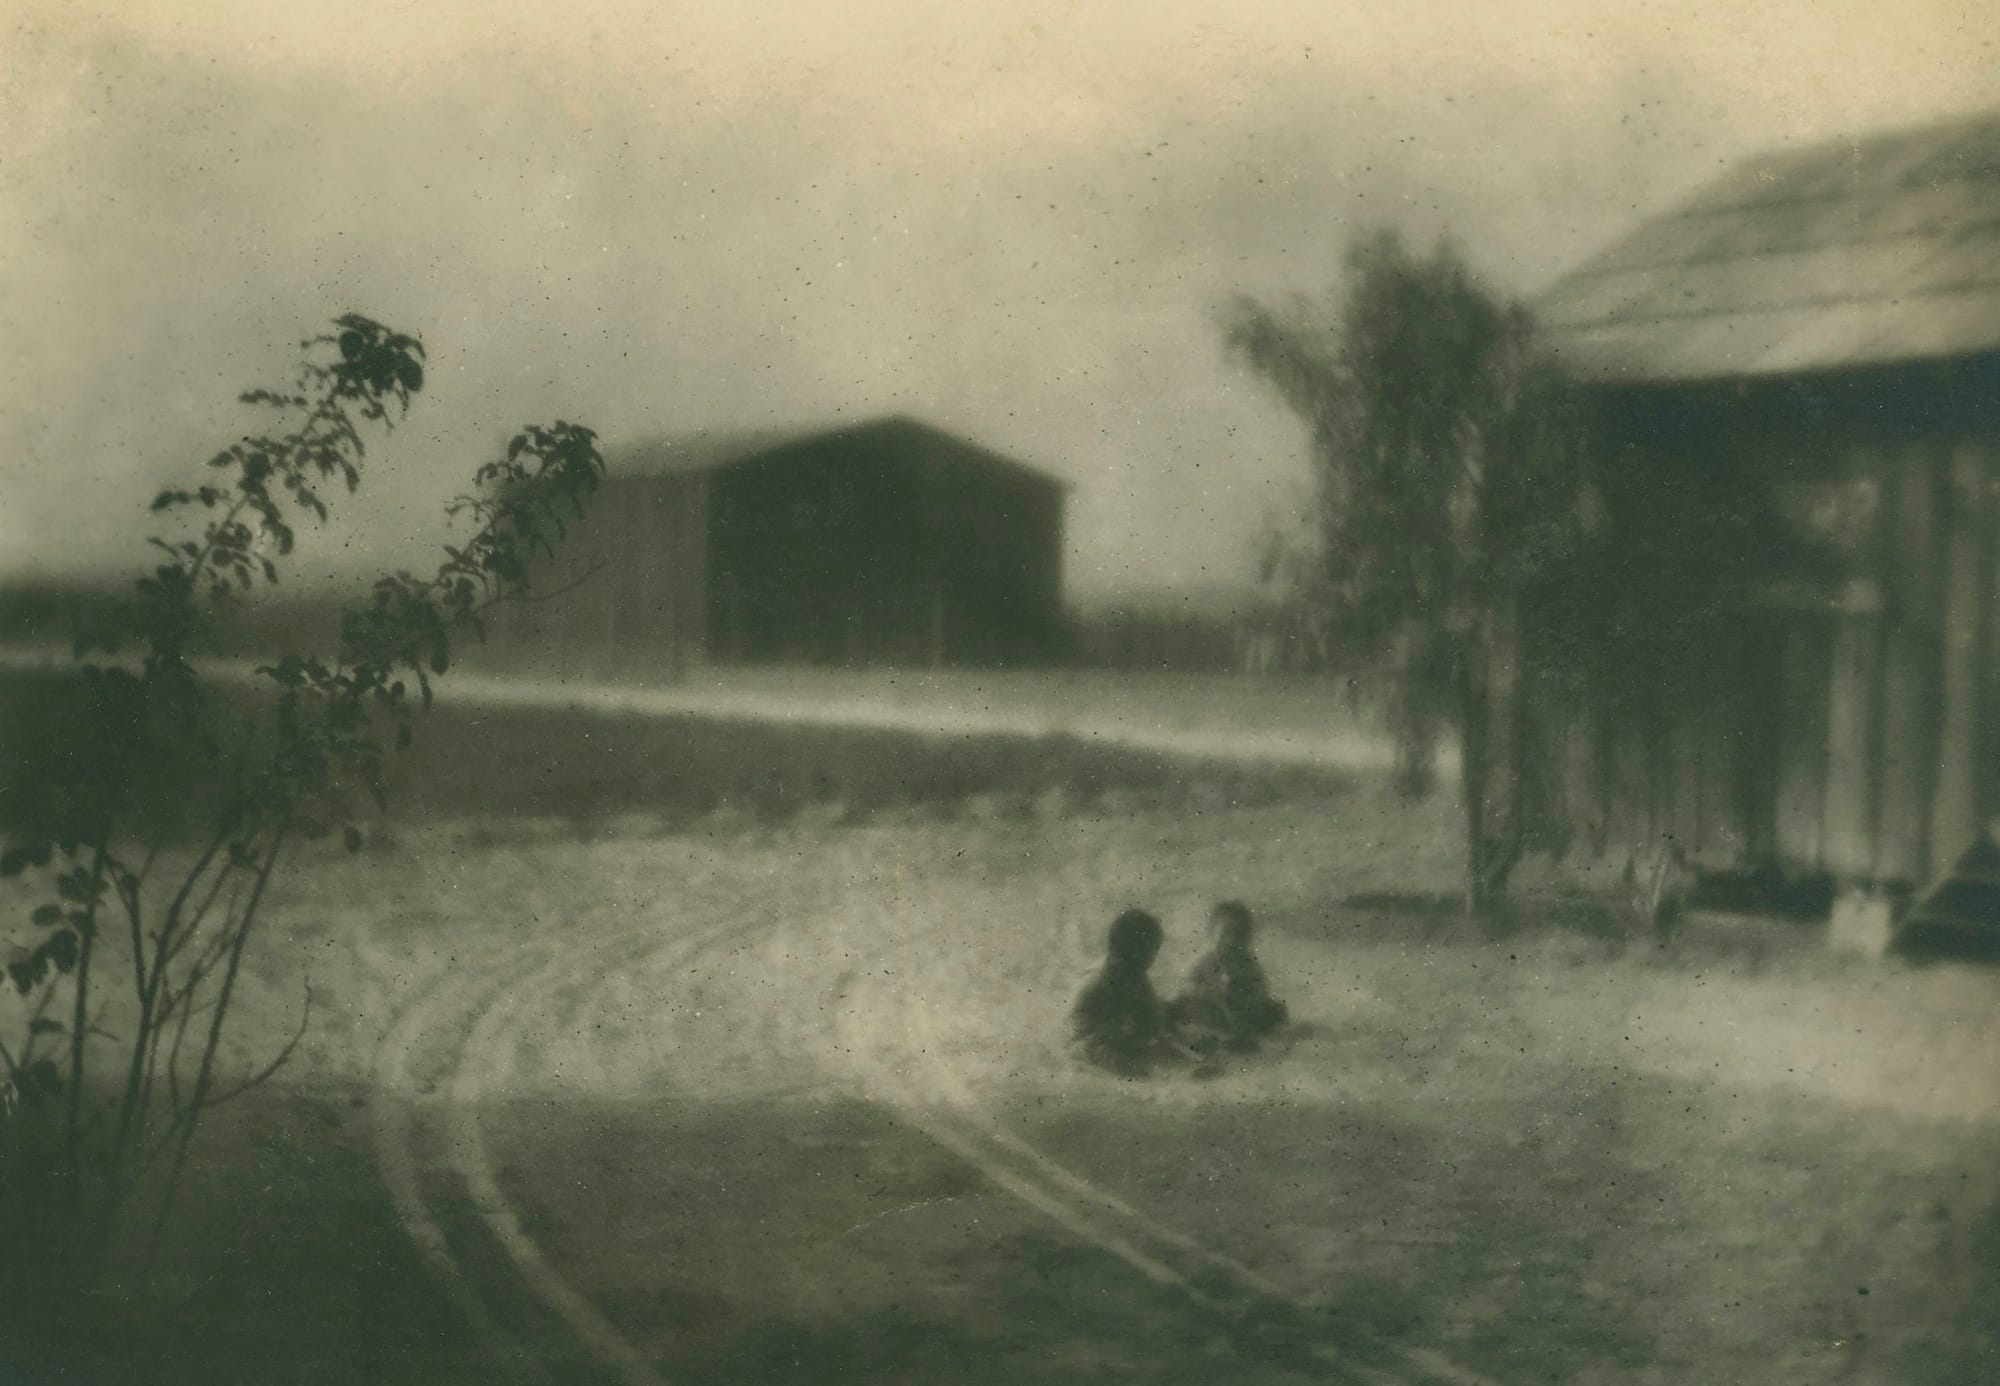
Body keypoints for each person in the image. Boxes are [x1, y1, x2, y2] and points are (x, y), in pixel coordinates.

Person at [1166, 900, 1289, 1057]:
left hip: (1240, 1012)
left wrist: (1243, 997)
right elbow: (1187, 985)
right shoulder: (1207, 961)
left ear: (1248, 939)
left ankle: (1237, 1039)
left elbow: (1260, 990)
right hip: (1211, 1009)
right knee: (1179, 1007)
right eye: (1225, 934)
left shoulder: (1248, 965)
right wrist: (1203, 991)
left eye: (1239, 936)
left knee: (1274, 1011)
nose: (1231, 941)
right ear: (1211, 933)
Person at [1070, 908, 1180, 1078]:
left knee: (1162, 1042)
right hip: (1087, 1042)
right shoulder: (1097, 981)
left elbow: (1153, 1022)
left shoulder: (1135, 974)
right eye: (1152, 952)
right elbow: (1081, 1030)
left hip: (1116, 1036)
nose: (1152, 959)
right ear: (1135, 952)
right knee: (1114, 1058)